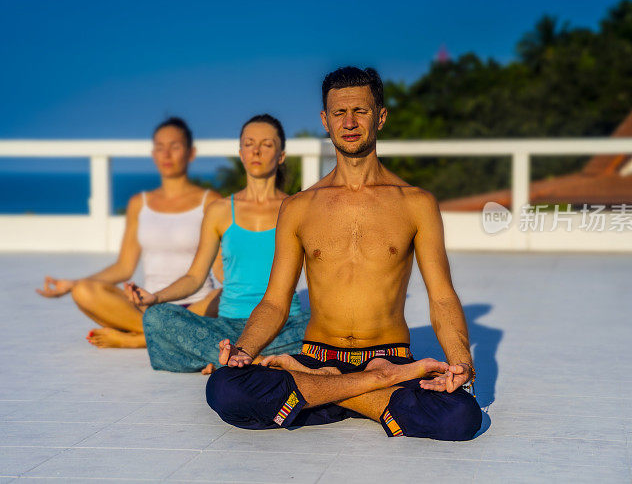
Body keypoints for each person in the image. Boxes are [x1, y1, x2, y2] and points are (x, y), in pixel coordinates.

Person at [205, 67, 482, 441]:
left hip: (389, 354)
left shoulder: (416, 204)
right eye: (339, 113)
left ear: (380, 116)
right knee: (224, 386)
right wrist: (244, 350)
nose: (349, 122)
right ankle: (373, 390)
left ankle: (321, 390)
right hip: (318, 354)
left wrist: (461, 361)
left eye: (361, 111)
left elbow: (442, 296)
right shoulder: (299, 207)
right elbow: (274, 302)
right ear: (325, 120)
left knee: (461, 417)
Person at [126, 114, 309, 374]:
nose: (256, 150)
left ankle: (226, 359)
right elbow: (195, 276)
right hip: (228, 327)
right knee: (157, 317)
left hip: (283, 325)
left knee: (318, 327)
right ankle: (252, 360)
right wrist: (156, 297)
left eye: (267, 144)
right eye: (249, 143)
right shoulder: (219, 211)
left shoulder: (297, 208)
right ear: (240, 152)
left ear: (280, 155)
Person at [36, 117, 222, 348]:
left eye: (175, 147)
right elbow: (124, 266)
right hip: (147, 308)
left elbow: (221, 269)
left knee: (223, 296)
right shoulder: (139, 203)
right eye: (159, 147)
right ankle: (162, 335)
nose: (166, 154)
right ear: (153, 153)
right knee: (84, 291)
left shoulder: (211, 202)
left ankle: (138, 340)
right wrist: (72, 284)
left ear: (191, 152)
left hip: (197, 307)